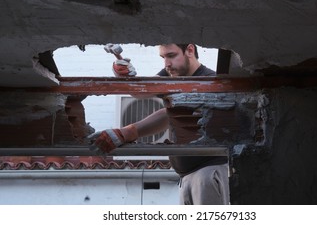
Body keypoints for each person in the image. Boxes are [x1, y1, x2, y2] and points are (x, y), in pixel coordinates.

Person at [88, 43, 230, 205]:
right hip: (187, 176)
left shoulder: (208, 81)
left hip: (208, 172)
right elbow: (143, 93)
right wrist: (125, 76)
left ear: (190, 50)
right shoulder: (173, 75)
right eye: (163, 57)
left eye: (171, 56)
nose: (166, 64)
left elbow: (172, 112)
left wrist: (128, 132)